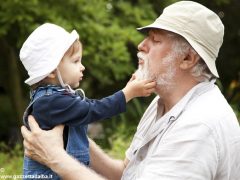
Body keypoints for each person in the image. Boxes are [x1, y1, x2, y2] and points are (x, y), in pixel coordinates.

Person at [21, 1, 240, 180]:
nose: (141, 45)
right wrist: (71, 132)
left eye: (154, 39)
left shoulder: (199, 125)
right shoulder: (162, 104)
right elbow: (126, 173)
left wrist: (56, 158)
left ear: (187, 59)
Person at [19, 23, 156, 179]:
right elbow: (93, 109)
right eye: (76, 61)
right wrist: (128, 93)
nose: (82, 67)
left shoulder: (57, 99)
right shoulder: (51, 102)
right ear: (51, 71)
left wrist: (127, 90)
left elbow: (88, 107)